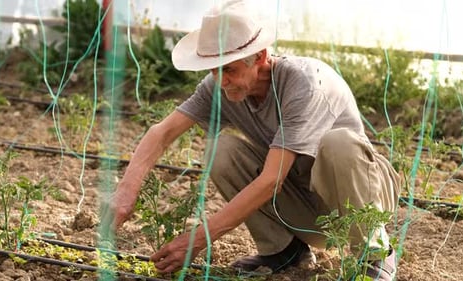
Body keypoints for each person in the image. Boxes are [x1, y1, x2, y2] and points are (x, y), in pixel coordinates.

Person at [106, 0, 401, 279]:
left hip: (360, 198)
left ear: (259, 57)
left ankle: (374, 252)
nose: (221, 80)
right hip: (304, 206)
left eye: (230, 69)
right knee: (220, 151)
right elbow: (162, 132)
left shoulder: (304, 84)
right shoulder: (219, 87)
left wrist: (201, 238)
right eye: (213, 69)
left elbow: (272, 179)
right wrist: (126, 190)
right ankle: (284, 251)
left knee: (339, 144)